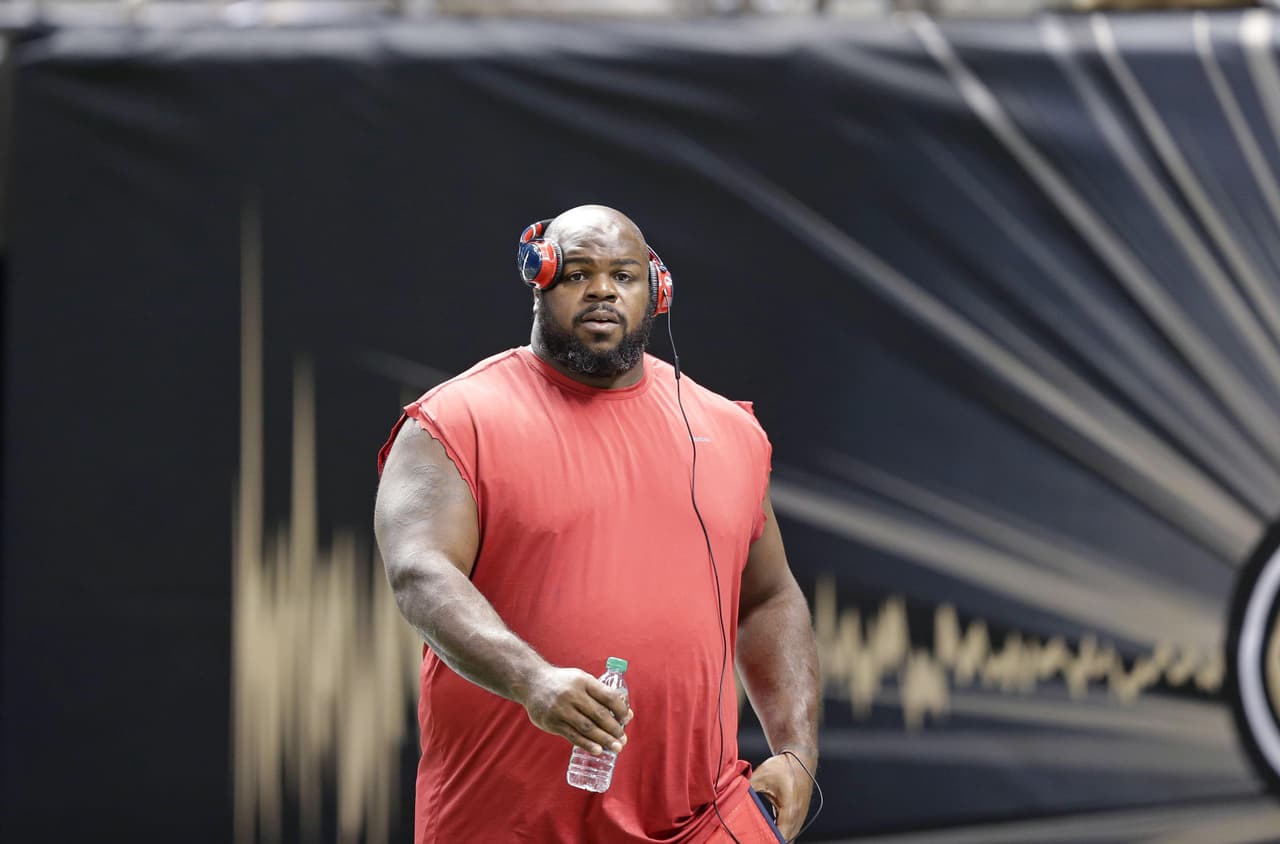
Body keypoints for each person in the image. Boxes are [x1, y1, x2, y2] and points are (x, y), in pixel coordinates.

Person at [374, 205, 819, 843]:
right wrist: (533, 681)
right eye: (578, 272)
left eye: (625, 275)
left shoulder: (727, 431)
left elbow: (769, 596)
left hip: (703, 820)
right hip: (511, 824)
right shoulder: (457, 420)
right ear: (540, 277)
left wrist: (796, 751)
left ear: (657, 291)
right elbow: (419, 572)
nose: (603, 290)